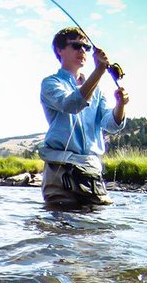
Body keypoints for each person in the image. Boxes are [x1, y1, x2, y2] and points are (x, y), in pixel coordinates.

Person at [38, 26, 129, 208]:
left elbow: (111, 124)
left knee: (95, 234)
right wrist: (100, 71)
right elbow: (72, 104)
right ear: (60, 50)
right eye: (76, 46)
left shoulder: (97, 91)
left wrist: (121, 105)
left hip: (91, 171)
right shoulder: (50, 83)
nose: (82, 51)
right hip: (60, 171)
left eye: (86, 48)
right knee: (60, 232)